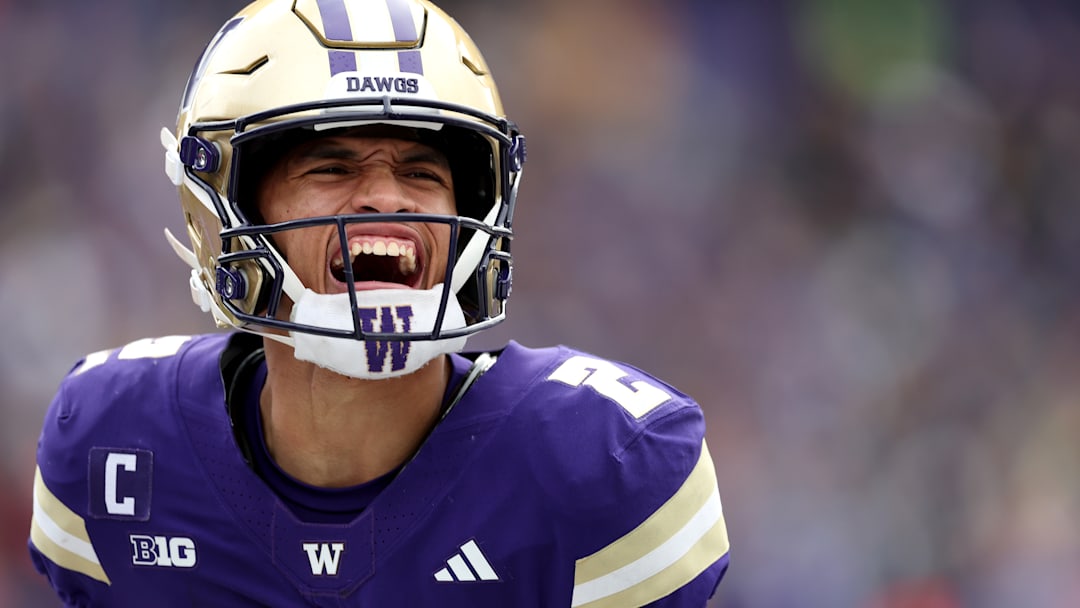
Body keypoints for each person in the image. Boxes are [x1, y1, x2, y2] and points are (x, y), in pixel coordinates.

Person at [27, 0, 730, 605]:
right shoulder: (114, 447)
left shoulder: (606, 467)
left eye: (421, 171)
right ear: (227, 214)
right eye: (331, 167)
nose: (386, 197)